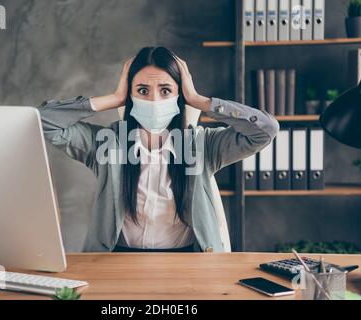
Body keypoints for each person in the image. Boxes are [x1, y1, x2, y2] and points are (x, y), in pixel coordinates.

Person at [37, 46, 279, 253]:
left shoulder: (203, 145)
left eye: (165, 90)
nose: (154, 100)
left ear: (178, 95)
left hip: (185, 260)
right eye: (142, 90)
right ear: (130, 95)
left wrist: (198, 100)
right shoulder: (105, 142)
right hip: (117, 259)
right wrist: (113, 98)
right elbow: (42, 121)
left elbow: (265, 129)